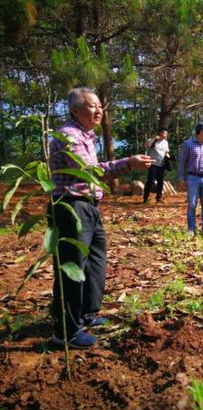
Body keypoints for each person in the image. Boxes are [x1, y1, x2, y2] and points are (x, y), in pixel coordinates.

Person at [49, 87, 154, 348]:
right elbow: (88, 171)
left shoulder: (86, 134)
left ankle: (87, 313)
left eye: (100, 106)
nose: (99, 111)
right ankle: (66, 331)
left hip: (89, 206)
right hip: (70, 207)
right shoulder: (68, 136)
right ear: (75, 110)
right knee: (72, 267)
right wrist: (128, 163)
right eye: (92, 106)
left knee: (95, 260)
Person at [178, 122, 203, 237]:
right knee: (192, 204)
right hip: (193, 178)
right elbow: (182, 163)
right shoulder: (188, 144)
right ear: (202, 132)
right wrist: (181, 178)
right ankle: (191, 229)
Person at [143, 127, 171, 204]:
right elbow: (147, 146)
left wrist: (169, 158)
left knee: (160, 182)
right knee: (150, 181)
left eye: (166, 133)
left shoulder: (165, 142)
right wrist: (154, 138)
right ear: (160, 133)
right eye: (163, 133)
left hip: (161, 164)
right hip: (153, 164)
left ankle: (158, 198)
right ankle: (146, 198)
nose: (165, 135)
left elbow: (166, 152)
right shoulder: (152, 140)